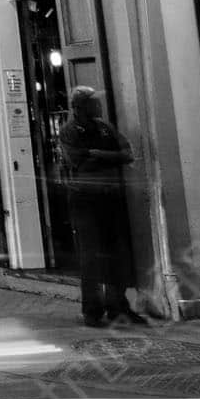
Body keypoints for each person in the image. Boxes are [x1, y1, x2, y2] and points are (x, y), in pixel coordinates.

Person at [60, 86, 147, 327]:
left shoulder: (105, 128)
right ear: (80, 107)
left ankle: (118, 306)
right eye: (94, 103)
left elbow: (128, 153)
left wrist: (95, 153)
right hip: (85, 201)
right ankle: (92, 310)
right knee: (90, 256)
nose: (99, 107)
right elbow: (77, 162)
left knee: (116, 254)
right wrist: (108, 156)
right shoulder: (68, 132)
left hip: (110, 198)